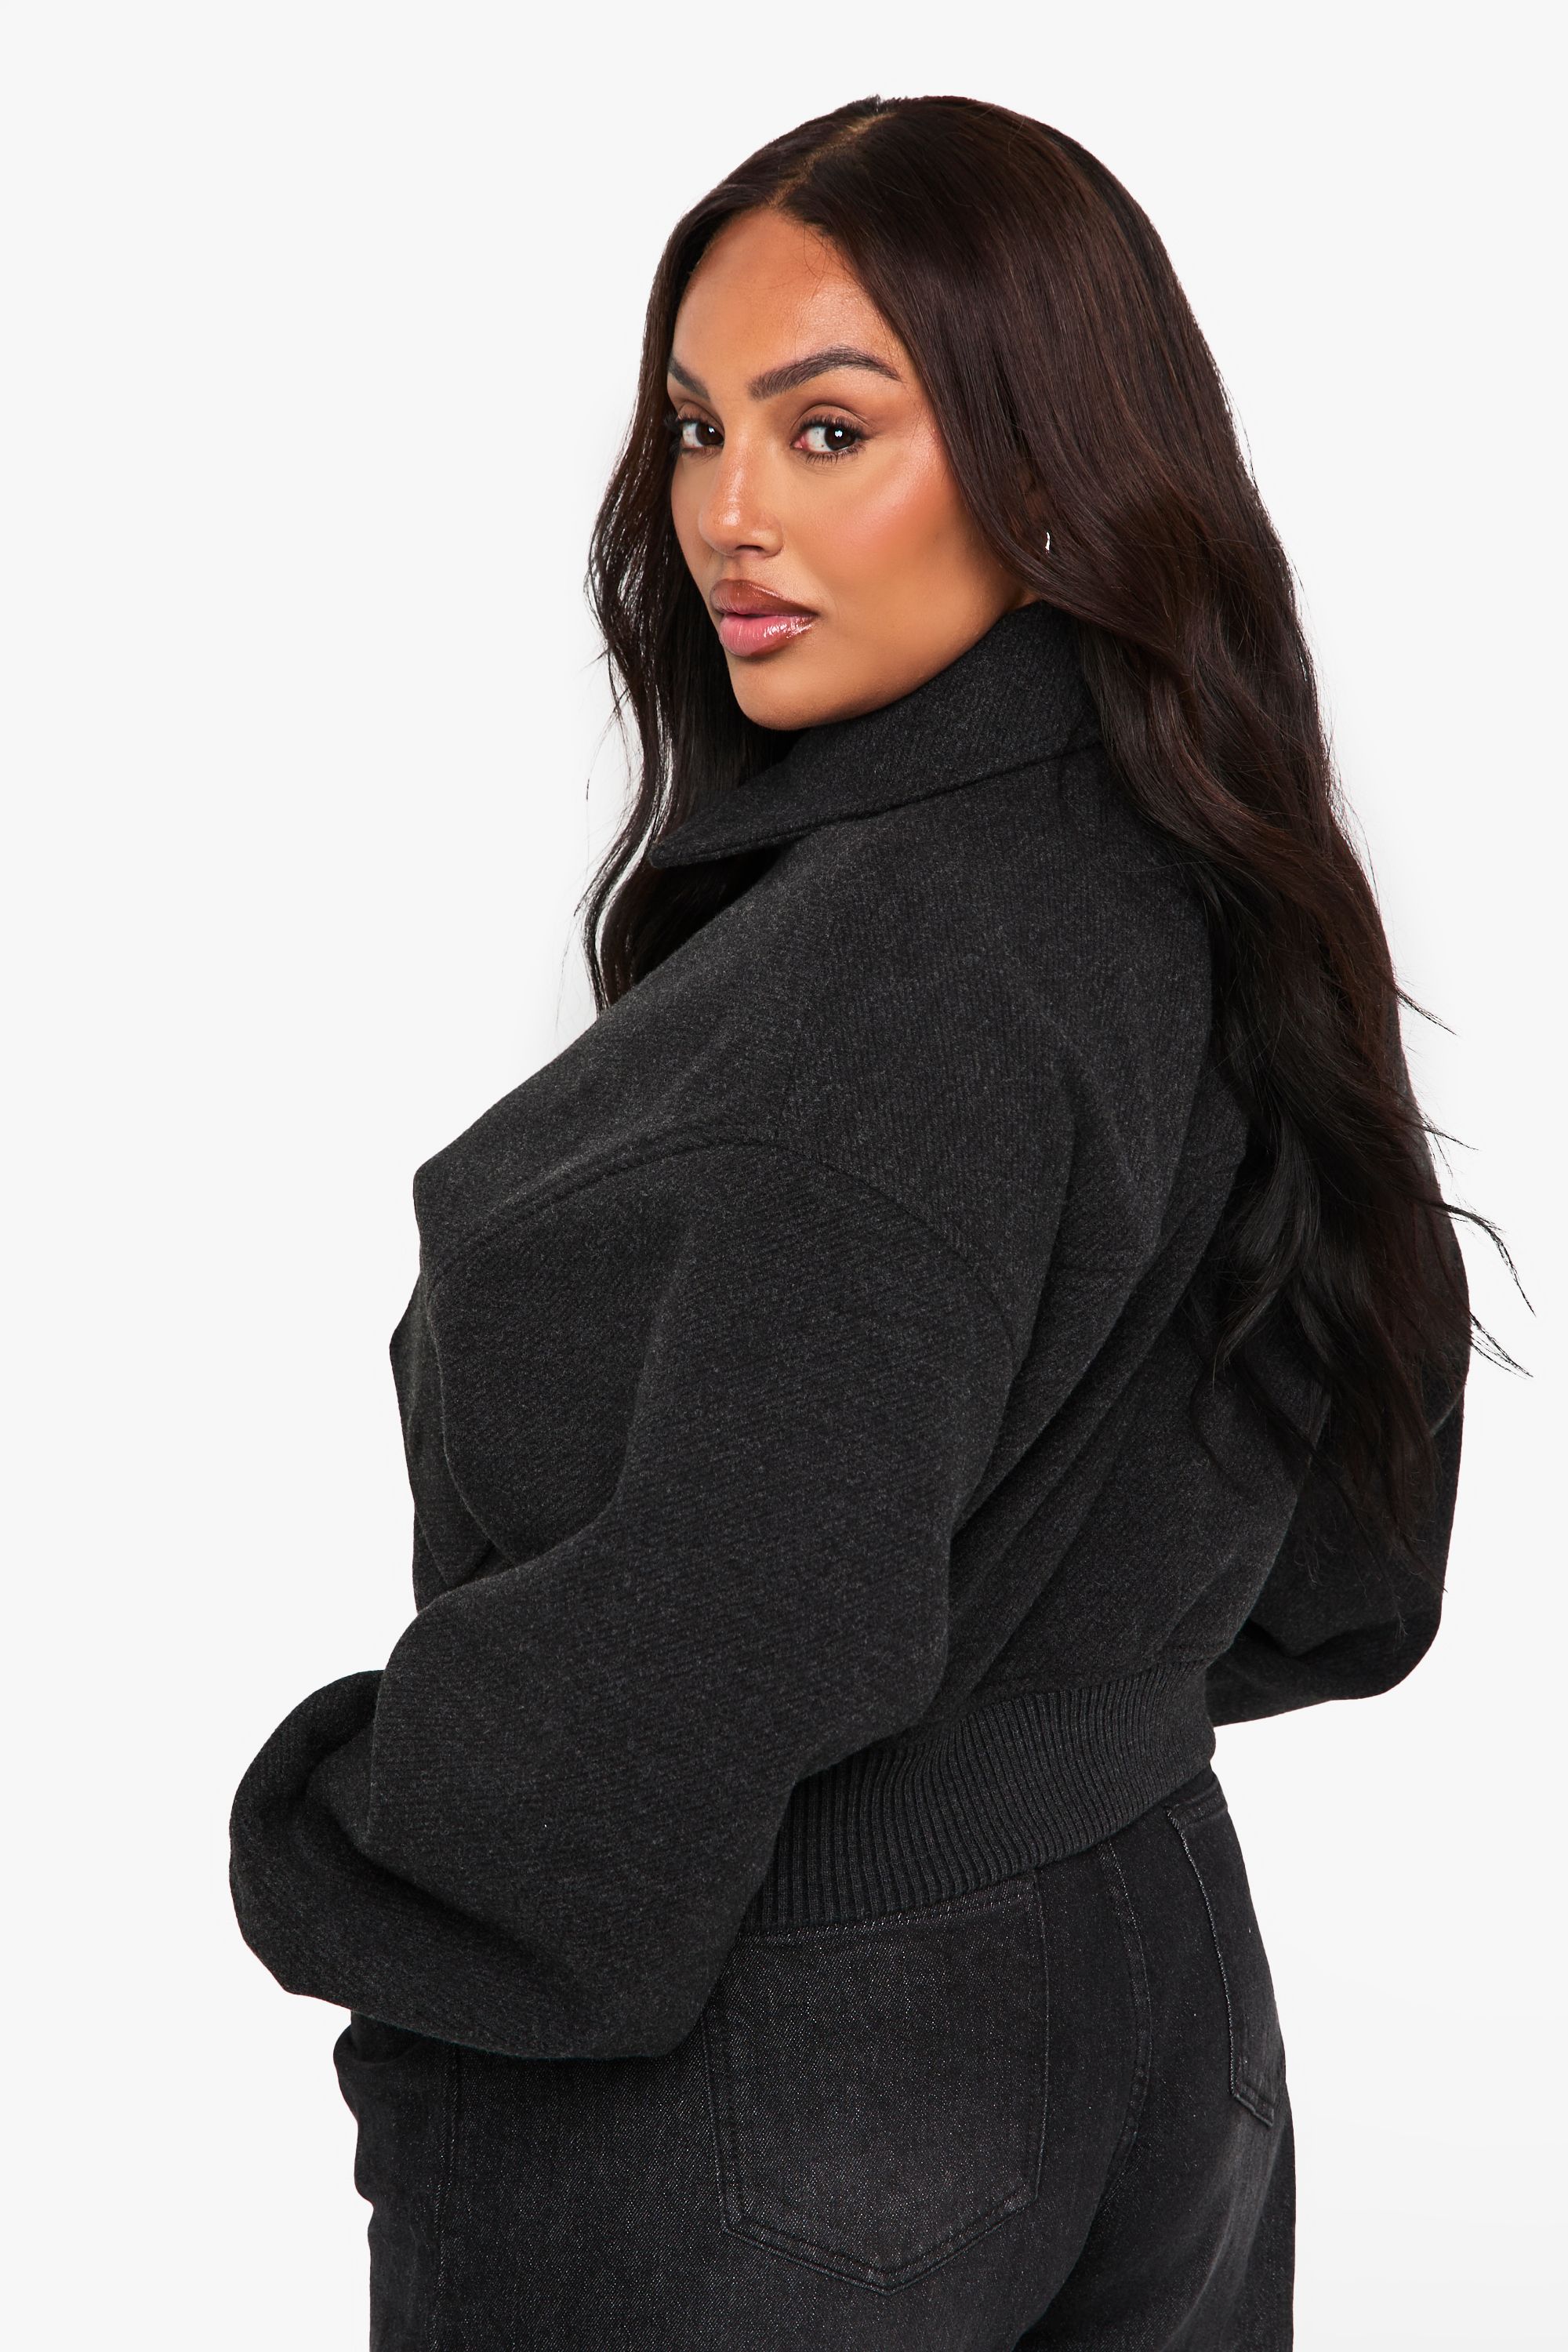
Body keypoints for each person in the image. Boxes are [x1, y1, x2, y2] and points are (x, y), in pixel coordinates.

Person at [229, 95, 1472, 2350]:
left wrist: (362, 1846)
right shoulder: (1197, 867)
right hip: (1154, 1992)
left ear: (1050, 454)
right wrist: (1058, 1723)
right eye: (699, 428)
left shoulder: (894, 987)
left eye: (830, 432)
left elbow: (737, 1608)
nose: (728, 513)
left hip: (784, 2075)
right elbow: (1346, 1554)